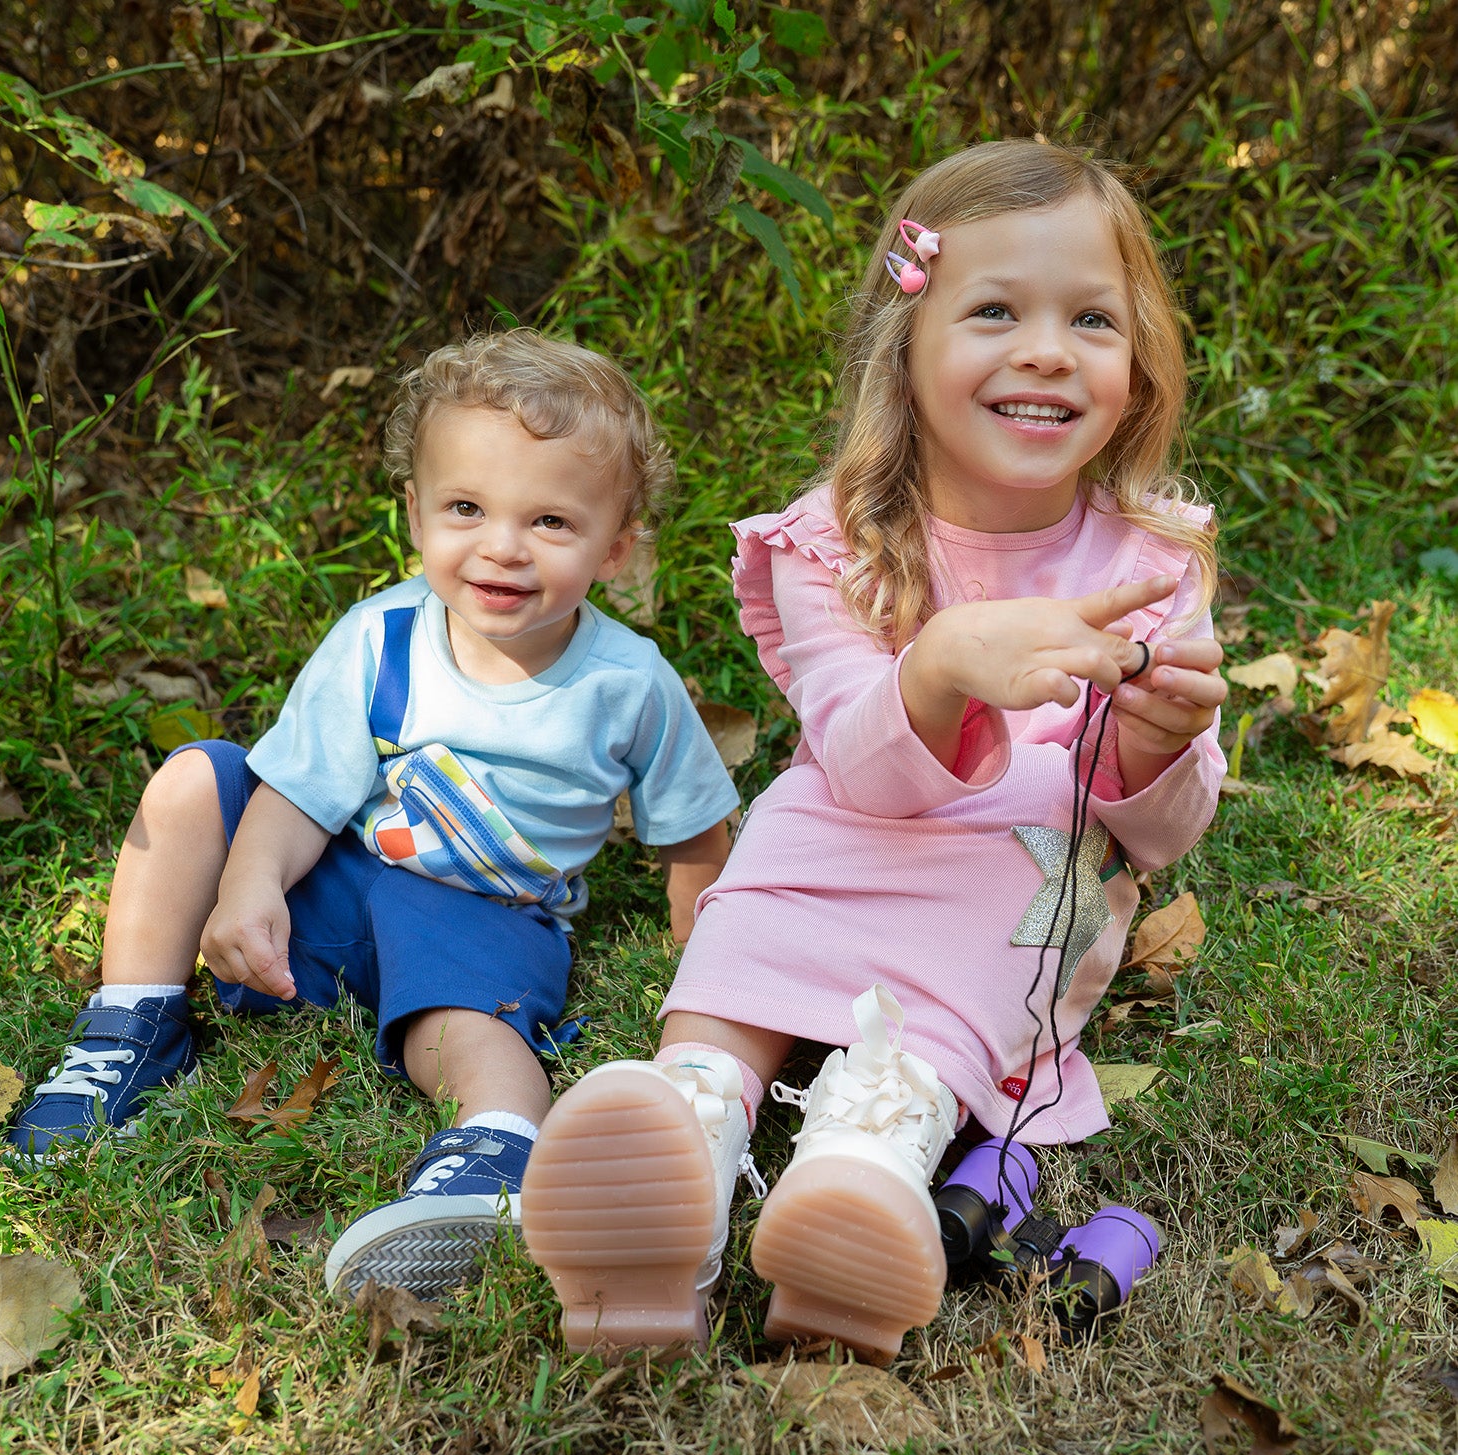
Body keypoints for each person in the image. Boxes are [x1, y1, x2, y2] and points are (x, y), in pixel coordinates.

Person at [521, 140, 1228, 1364]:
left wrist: (1160, 749)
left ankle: (870, 1157)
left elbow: (1157, 836)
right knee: (756, 905)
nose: (1046, 349)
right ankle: (686, 1139)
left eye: (1092, 320)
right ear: (906, 344)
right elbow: (858, 760)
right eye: (995, 310)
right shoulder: (836, 543)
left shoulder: (1154, 563)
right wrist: (947, 662)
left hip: (1016, 862)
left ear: (1139, 363)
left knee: (988, 923)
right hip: (842, 832)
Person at [7, 329, 739, 1303]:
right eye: (466, 508)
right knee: (196, 778)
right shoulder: (379, 639)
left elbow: (692, 831)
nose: (502, 547)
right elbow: (303, 790)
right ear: (416, 512)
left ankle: (491, 1149)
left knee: (472, 1030)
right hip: (337, 880)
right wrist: (251, 881)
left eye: (551, 522)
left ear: (617, 545)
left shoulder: (626, 685)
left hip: (481, 914)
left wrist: (705, 963)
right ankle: (132, 1026)